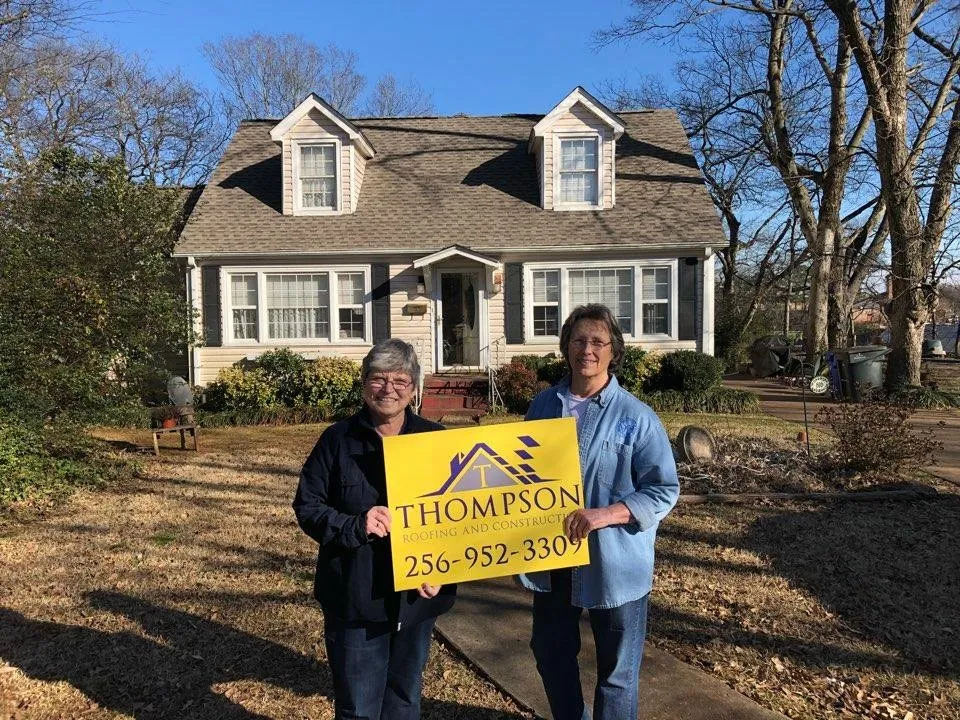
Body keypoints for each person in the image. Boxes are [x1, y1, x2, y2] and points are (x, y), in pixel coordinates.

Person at [519, 304, 680, 720]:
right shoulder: (541, 407)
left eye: (597, 341)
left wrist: (604, 515)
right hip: (553, 555)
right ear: (565, 347)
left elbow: (663, 489)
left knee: (617, 671)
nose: (586, 349)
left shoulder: (637, 417)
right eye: (577, 340)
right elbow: (519, 475)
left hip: (615, 563)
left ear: (613, 351)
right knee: (550, 652)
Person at [293, 338, 455, 720]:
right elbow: (308, 506)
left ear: (414, 389)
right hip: (355, 594)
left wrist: (445, 571)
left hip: (416, 598)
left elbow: (458, 517)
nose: (389, 390)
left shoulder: (437, 441)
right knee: (358, 706)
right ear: (364, 384)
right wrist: (355, 525)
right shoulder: (337, 440)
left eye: (400, 380)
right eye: (378, 379)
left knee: (404, 697)